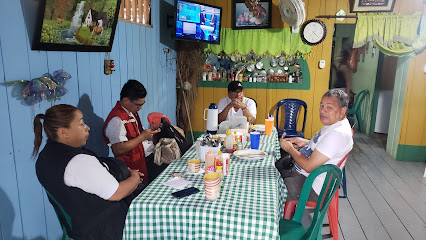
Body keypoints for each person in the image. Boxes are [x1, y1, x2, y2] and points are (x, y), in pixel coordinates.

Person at [34, 104, 143, 239]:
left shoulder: (45, 156)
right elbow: (117, 193)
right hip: (105, 229)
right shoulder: (77, 161)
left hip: (78, 227)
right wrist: (135, 177)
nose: (87, 127)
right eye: (81, 124)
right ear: (64, 132)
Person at [278, 89, 353, 202]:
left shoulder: (337, 134)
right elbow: (326, 148)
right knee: (273, 166)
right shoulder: (335, 124)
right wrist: (306, 142)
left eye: (329, 107)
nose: (323, 111)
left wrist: (290, 148)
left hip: (311, 186)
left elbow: (308, 166)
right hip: (306, 175)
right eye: (321, 106)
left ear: (343, 111)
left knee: (270, 182)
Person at [103, 80, 162, 183]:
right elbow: (118, 149)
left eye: (142, 104)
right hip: (130, 167)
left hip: (142, 159)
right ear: (126, 100)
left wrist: (150, 130)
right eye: (138, 105)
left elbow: (136, 134)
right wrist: (142, 137)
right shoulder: (117, 120)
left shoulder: (131, 112)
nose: (140, 108)